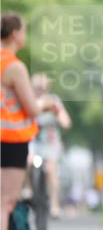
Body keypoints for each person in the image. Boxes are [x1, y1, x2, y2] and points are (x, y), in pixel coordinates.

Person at [1, 12, 55, 230]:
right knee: (5, 203)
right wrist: (47, 102)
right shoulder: (14, 66)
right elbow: (31, 108)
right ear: (13, 34)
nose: (25, 35)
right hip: (10, 140)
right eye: (23, 30)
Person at [30, 74, 72, 218]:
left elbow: (66, 122)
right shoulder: (29, 100)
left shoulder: (53, 101)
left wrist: (57, 113)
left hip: (50, 142)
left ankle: (54, 204)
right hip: (33, 141)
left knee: (51, 169)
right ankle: (27, 192)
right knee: (27, 161)